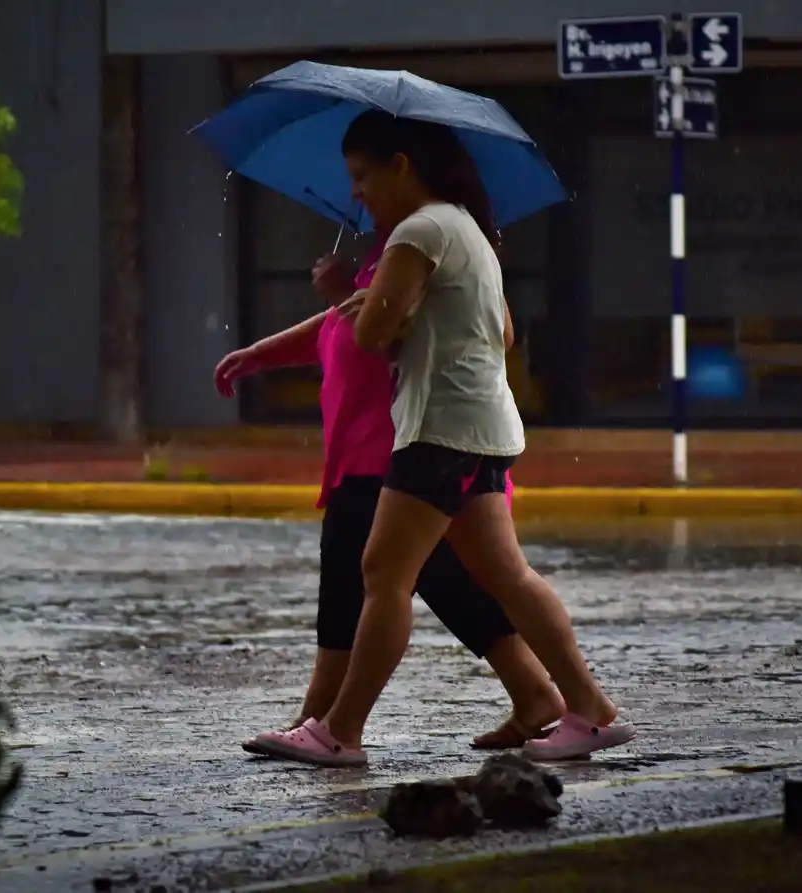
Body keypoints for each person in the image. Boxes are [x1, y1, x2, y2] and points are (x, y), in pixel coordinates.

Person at [255, 111, 635, 767]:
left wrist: (357, 295)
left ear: (400, 165)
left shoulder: (419, 230)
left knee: (383, 573)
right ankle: (588, 707)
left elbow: (373, 337)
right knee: (505, 575)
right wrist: (383, 305)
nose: (357, 193)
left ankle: (338, 729)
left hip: (439, 432)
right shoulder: (466, 229)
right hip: (481, 430)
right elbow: (501, 335)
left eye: (362, 176)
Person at [214, 232, 566, 753]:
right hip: (373, 453)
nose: (360, 193)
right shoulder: (392, 254)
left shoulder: (424, 251)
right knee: (446, 581)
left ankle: (325, 719)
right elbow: (340, 324)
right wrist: (263, 353)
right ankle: (534, 691)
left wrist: (337, 293)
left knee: (353, 584)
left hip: (391, 453)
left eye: (367, 178)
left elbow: (388, 335)